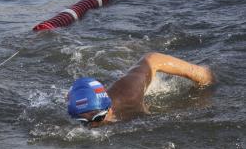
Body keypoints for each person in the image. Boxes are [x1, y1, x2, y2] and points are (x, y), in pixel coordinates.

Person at [67, 52, 214, 128]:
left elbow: (152, 59)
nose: (93, 126)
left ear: (109, 107)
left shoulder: (130, 93)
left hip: (135, 83)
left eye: (98, 118)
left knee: (205, 80)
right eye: (83, 122)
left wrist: (197, 73)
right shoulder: (78, 108)